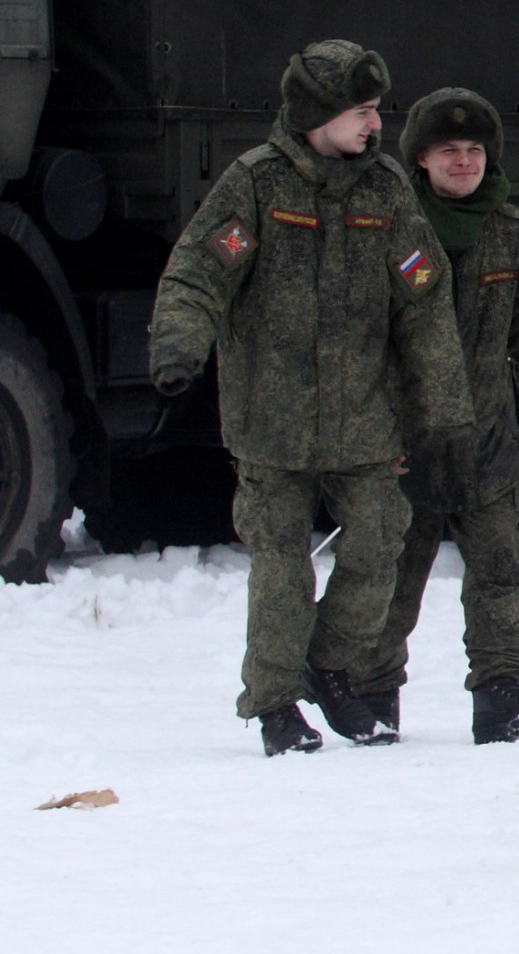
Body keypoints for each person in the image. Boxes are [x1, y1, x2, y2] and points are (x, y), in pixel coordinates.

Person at [148, 40, 473, 755]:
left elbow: (423, 301)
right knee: (281, 563)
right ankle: (275, 704)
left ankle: (327, 664)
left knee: (379, 540)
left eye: (376, 110)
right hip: (273, 419)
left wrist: (444, 407)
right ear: (318, 115)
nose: (374, 125)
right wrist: (179, 346)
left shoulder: (385, 190)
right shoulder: (257, 185)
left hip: (363, 415)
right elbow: (198, 273)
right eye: (361, 111)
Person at [348, 88, 519, 745]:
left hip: (488, 438)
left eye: (475, 150)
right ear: (421, 158)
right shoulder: (386, 230)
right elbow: (357, 340)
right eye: (450, 150)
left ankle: (501, 690)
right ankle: (370, 695)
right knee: (391, 573)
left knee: (499, 568)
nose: (465, 161)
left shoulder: (513, 233)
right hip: (404, 440)